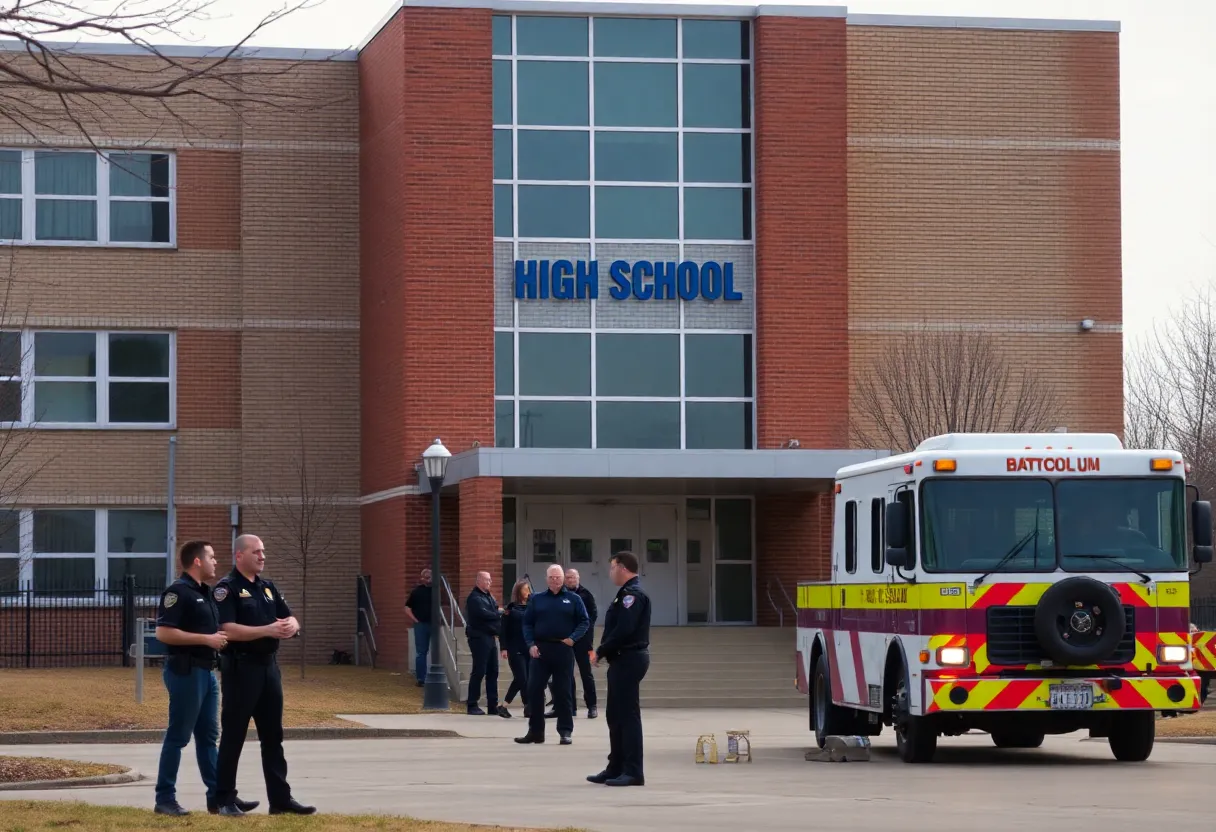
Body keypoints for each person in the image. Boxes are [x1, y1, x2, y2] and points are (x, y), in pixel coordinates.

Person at [152, 541, 258, 817]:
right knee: (178, 736)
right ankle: (164, 798)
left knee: (209, 738)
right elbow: (163, 632)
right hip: (186, 671)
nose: (215, 561)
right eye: (211, 557)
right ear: (197, 561)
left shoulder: (206, 593)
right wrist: (206, 639)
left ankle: (219, 798)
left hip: (207, 672)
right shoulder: (178, 592)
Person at [212, 534, 315, 816]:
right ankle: (225, 799)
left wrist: (292, 624)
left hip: (269, 668)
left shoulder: (267, 587)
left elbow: (289, 616)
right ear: (239, 556)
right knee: (234, 736)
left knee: (273, 737)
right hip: (241, 669)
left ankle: (280, 800)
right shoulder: (226, 589)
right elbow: (226, 629)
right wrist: (268, 630)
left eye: (263, 551)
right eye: (256, 552)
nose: (262, 556)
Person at [587, 550, 651, 787]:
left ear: (623, 568)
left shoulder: (632, 595)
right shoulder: (624, 593)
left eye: (612, 567)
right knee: (614, 716)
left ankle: (633, 771)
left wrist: (601, 650)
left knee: (627, 716)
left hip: (629, 659)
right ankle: (615, 767)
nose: (610, 571)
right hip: (621, 659)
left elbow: (624, 629)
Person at [515, 564, 589, 746]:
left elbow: (584, 621)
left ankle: (565, 731)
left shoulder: (574, 599)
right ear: (546, 579)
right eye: (551, 577)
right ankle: (536, 732)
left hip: (563, 649)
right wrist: (530, 644)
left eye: (558, 577)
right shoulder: (537, 599)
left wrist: (573, 638)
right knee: (534, 689)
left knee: (563, 691)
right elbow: (527, 623)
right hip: (540, 649)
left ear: (563, 578)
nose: (555, 580)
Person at [547, 568, 598, 719]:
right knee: (566, 674)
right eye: (567, 577)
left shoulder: (586, 595)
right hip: (565, 640)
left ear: (578, 578)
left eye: (572, 577)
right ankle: (570, 707)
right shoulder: (560, 594)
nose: (570, 580)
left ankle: (592, 706)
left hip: (583, 641)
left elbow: (592, 617)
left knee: (586, 673)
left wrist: (581, 634)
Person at [465, 571, 506, 717]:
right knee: (479, 671)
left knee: (493, 671)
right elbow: (484, 615)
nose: (490, 582)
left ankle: (492, 705)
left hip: (490, 637)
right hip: (479, 637)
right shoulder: (474, 598)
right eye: (487, 580)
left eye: (490, 580)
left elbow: (493, 612)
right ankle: (472, 704)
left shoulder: (489, 596)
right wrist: (499, 613)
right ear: (479, 581)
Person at [499, 579, 533, 718]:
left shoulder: (532, 607)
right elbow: (503, 630)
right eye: (525, 589)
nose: (527, 592)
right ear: (518, 591)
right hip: (514, 648)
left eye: (528, 589)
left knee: (527, 679)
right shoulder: (511, 609)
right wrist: (503, 648)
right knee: (521, 678)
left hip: (529, 647)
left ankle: (528, 707)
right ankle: (503, 705)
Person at [403, 568, 433, 687]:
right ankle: (421, 678)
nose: (428, 580)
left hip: (434, 624)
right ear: (422, 578)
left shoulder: (436, 591)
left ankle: (434, 676)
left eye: (430, 577)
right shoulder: (416, 592)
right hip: (421, 624)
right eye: (426, 577)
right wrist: (415, 620)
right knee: (421, 652)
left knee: (435, 651)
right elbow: (407, 607)